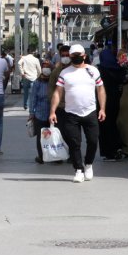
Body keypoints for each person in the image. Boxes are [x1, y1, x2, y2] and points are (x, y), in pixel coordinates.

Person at [49, 44, 106, 183]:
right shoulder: (64, 73)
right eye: (73, 56)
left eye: (78, 55)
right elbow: (57, 92)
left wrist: (102, 108)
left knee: (93, 141)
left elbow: (100, 90)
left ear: (84, 56)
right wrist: (52, 111)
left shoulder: (93, 71)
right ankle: (78, 170)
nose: (76, 58)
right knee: (74, 143)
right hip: (71, 113)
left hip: (90, 112)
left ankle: (88, 164)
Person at [98, 48, 125, 161]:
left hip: (103, 103)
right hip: (116, 101)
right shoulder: (119, 69)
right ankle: (117, 147)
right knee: (113, 125)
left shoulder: (101, 70)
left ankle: (109, 152)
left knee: (105, 128)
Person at [29, 61, 53, 163]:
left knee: (53, 135)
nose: (46, 69)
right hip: (40, 114)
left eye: (48, 67)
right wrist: (31, 113)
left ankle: (54, 156)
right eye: (44, 67)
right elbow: (33, 98)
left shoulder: (53, 81)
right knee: (41, 136)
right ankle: (41, 156)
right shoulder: (37, 82)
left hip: (52, 114)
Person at [47, 45, 71, 130]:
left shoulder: (76, 70)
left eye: (67, 55)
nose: (65, 58)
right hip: (60, 108)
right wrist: (54, 103)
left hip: (73, 108)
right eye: (63, 56)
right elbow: (50, 88)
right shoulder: (56, 72)